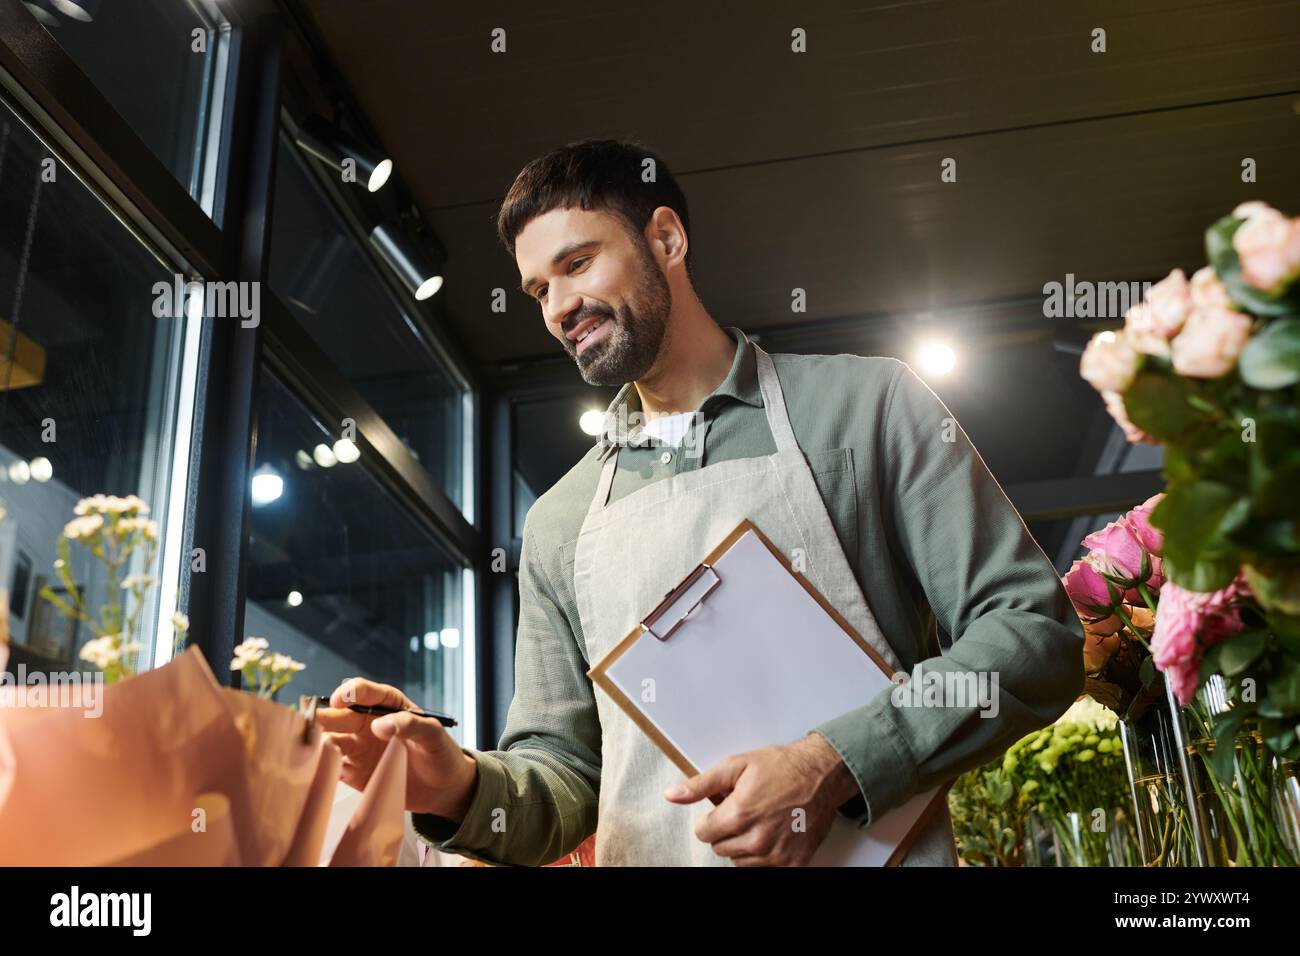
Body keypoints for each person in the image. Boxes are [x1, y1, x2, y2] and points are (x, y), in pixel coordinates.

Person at [318, 139, 1084, 867]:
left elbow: (1031, 631)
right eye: (539, 290)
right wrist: (448, 783)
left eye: (577, 263)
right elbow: (565, 773)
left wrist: (833, 762)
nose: (557, 308)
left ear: (667, 239)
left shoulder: (866, 408)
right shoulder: (559, 520)